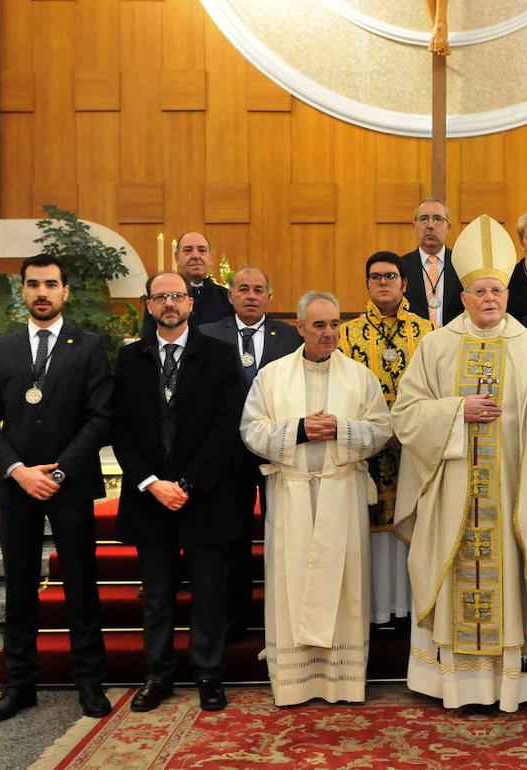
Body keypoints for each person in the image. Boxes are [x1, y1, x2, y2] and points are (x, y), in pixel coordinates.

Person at [392, 214, 527, 711]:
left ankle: (512, 682)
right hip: (454, 495)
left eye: (497, 290)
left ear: (506, 293)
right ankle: (450, 683)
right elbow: (404, 415)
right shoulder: (435, 346)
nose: (490, 299)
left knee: (513, 578)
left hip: (512, 495)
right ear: (465, 296)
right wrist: (457, 411)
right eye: (480, 292)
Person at [0, 255, 111, 723]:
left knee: (81, 586)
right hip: (16, 488)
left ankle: (90, 684)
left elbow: (100, 418)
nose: (42, 292)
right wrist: (17, 469)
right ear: (23, 291)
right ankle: (19, 687)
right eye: (33, 284)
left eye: (51, 284)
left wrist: (56, 473)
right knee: (19, 588)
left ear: (65, 292)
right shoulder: (2, 347)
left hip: (69, 486)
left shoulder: (89, 346)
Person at [241, 290, 392, 705]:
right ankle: (295, 682)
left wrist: (342, 428)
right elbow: (250, 431)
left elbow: (381, 429)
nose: (329, 333)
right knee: (292, 581)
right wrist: (300, 430)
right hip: (291, 492)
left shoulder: (360, 376)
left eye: (335, 324)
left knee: (345, 586)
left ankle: (342, 681)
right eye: (320, 325)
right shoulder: (271, 376)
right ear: (301, 328)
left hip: (341, 492)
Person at [112, 271, 244, 713]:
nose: (169, 303)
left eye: (177, 296)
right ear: (149, 306)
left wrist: (187, 484)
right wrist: (152, 483)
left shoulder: (221, 356)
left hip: (203, 496)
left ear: (191, 303)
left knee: (209, 592)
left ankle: (208, 673)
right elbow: (120, 429)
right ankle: (158, 675)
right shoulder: (129, 359)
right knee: (157, 594)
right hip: (150, 497)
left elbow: (228, 426)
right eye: (160, 297)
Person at [199, 265, 302, 639]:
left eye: (259, 289)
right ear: (230, 296)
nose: (251, 295)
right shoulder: (207, 335)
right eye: (243, 289)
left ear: (269, 296)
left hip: (279, 452)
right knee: (235, 537)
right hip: (226, 456)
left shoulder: (290, 337)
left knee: (287, 533)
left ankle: (285, 617)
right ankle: (235, 620)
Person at [338, 251, 435, 623]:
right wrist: (379, 428)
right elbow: (344, 389)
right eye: (376, 277)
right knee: (373, 532)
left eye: (390, 276)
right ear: (366, 284)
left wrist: (408, 426)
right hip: (368, 447)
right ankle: (376, 611)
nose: (383, 282)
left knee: (411, 523)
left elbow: (436, 386)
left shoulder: (428, 333)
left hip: (415, 446)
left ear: (404, 283)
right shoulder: (347, 333)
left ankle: (410, 608)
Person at [401, 198, 463, 326]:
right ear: (414, 226)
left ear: (448, 227)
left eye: (437, 219)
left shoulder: (462, 264)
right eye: (423, 219)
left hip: (454, 342)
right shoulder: (400, 267)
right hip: (414, 342)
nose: (430, 225)